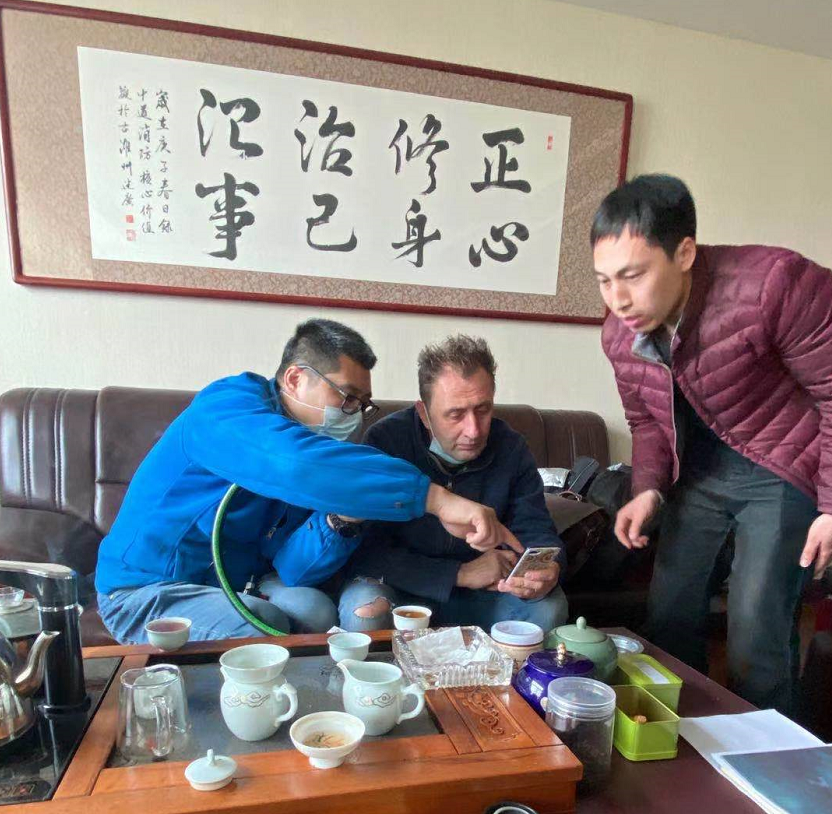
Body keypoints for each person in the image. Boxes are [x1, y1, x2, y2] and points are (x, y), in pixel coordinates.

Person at [95, 319, 522, 643]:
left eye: (362, 404)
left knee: (315, 610)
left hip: (236, 586)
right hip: (145, 591)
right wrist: (437, 499)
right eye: (347, 397)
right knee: (263, 626)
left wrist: (342, 519)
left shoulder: (321, 452)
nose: (353, 414)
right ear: (296, 379)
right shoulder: (225, 409)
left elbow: (293, 568)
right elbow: (292, 463)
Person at [592, 174, 832, 711]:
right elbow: (646, 421)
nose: (618, 300)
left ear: (684, 253)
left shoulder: (775, 284)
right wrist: (648, 490)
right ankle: (683, 744)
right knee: (668, 617)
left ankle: (765, 755)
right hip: (699, 474)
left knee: (755, 630)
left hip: (781, 467)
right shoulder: (619, 334)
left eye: (633, 275)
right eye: (604, 281)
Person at [338, 335, 568, 632]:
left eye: (483, 410)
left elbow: (536, 529)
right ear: (424, 413)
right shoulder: (385, 442)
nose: (474, 431)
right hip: (400, 587)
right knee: (364, 610)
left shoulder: (512, 447)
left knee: (549, 607)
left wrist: (546, 569)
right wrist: (458, 573)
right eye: (455, 415)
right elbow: (367, 551)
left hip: (486, 591)